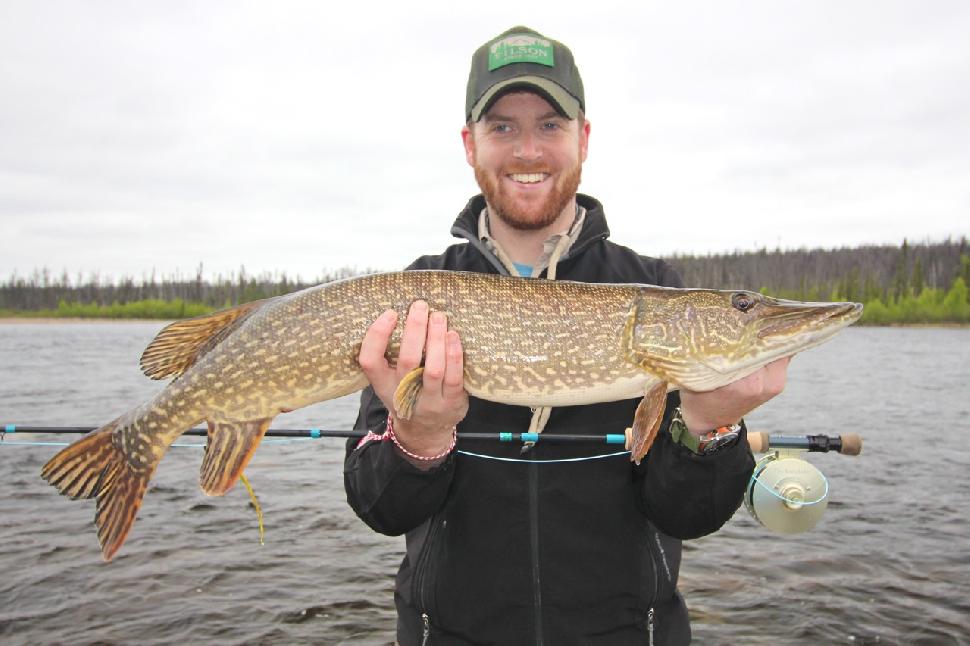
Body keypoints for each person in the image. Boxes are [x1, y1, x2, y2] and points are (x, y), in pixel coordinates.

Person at [344, 26, 789, 645]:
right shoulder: (418, 294)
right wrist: (417, 438)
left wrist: (706, 430)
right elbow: (379, 507)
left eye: (550, 125)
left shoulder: (651, 286)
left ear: (583, 138)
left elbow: (690, 513)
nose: (528, 150)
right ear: (470, 145)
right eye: (503, 127)